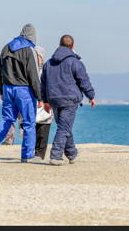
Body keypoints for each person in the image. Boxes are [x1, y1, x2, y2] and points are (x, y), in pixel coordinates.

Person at [0, 24, 43, 163]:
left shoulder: (6, 48)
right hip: (24, 90)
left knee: (7, 119)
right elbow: (33, 75)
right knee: (29, 123)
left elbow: (0, 71)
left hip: (7, 88)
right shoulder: (29, 50)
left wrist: (1, 91)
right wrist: (40, 96)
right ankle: (27, 155)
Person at [41, 35, 96, 166]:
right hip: (69, 99)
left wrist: (45, 100)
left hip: (53, 98)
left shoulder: (48, 63)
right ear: (72, 47)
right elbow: (84, 81)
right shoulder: (75, 62)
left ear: (59, 45)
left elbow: (43, 83)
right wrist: (91, 96)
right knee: (64, 127)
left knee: (64, 126)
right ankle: (55, 155)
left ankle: (71, 153)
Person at [33, 46, 53, 160]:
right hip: (34, 102)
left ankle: (39, 154)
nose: (37, 58)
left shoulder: (47, 68)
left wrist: (46, 100)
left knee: (43, 130)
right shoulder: (29, 68)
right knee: (32, 129)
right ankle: (32, 152)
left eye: (38, 56)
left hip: (45, 102)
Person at [0, 71, 15, 145]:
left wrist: (1, 93)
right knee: (23, 120)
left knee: (8, 119)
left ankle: (8, 140)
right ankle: (27, 141)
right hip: (20, 93)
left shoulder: (3, 65)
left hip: (8, 95)